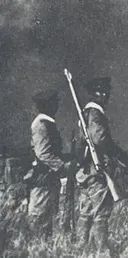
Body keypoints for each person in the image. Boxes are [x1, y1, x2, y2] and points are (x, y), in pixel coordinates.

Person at [76, 76, 128, 252]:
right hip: (98, 169)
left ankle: (82, 249)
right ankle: (102, 251)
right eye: (101, 93)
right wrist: (119, 155)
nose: (106, 96)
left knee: (86, 212)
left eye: (106, 92)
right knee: (101, 213)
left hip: (87, 170)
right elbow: (100, 139)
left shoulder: (85, 113)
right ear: (95, 94)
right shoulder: (95, 114)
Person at [26, 89, 75, 238]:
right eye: (54, 103)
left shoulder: (46, 123)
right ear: (47, 105)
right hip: (42, 179)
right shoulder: (41, 125)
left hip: (48, 179)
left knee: (47, 218)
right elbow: (43, 153)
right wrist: (62, 166)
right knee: (38, 217)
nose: (57, 106)